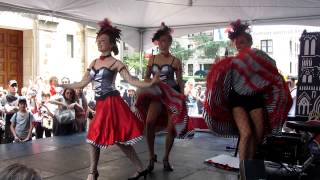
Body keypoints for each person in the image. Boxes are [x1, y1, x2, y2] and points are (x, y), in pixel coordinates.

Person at [59, 18, 160, 180]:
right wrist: (64, 85)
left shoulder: (116, 63)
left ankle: (93, 172)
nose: (99, 43)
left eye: (103, 41)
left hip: (112, 104)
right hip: (101, 104)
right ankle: (139, 168)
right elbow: (83, 82)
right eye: (98, 41)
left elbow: (131, 81)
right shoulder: (94, 62)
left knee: (97, 136)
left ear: (112, 44)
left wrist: (150, 83)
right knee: (112, 139)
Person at [203, 20, 292, 161]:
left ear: (250, 43)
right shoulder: (232, 61)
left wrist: (255, 62)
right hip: (237, 99)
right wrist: (220, 68)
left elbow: (272, 68)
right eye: (237, 43)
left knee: (258, 134)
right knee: (246, 133)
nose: (239, 46)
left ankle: (248, 166)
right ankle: (244, 172)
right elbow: (222, 82)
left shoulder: (259, 55)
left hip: (255, 98)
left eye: (242, 42)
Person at [134, 22, 192, 173]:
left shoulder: (175, 60)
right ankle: (151, 156)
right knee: (149, 122)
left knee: (172, 127)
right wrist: (144, 85)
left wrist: (182, 96)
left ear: (170, 42)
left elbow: (180, 81)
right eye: (160, 41)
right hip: (156, 94)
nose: (162, 43)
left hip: (171, 95)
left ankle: (166, 157)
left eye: (165, 40)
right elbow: (146, 78)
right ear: (157, 42)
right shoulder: (152, 59)